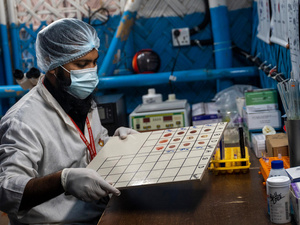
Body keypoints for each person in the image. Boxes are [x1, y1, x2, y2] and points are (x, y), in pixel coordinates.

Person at [0, 18, 138, 224]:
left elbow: (88, 145)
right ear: (52, 65)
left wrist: (114, 144)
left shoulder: (79, 98)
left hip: (101, 213)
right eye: (81, 64)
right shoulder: (22, 121)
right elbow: (7, 190)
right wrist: (62, 180)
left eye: (94, 62)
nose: (91, 71)